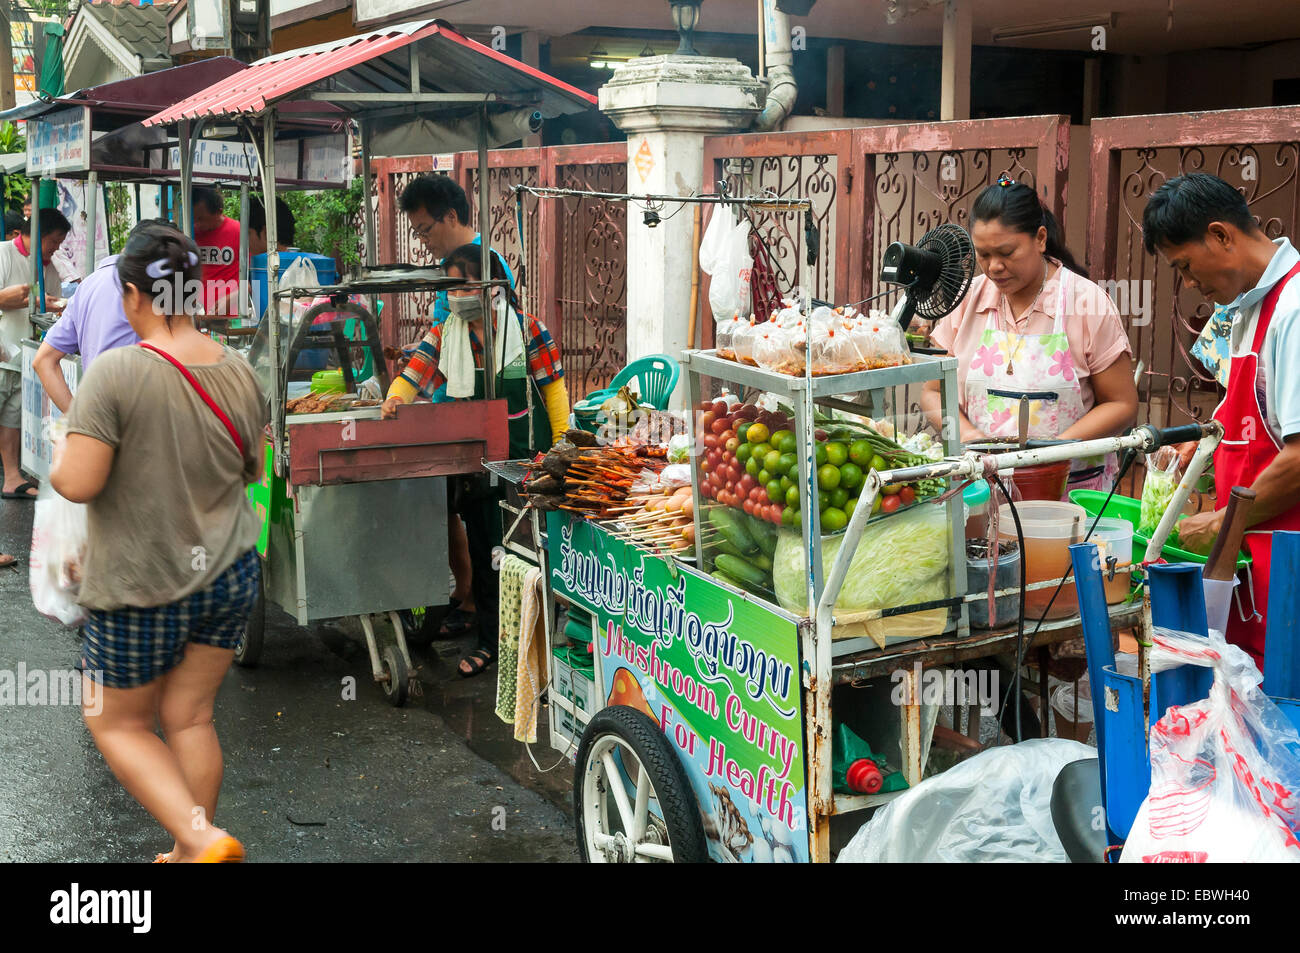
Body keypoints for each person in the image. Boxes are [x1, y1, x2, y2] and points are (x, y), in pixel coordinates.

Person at [49, 222, 266, 862]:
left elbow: (81, 482)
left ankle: (199, 838)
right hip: (229, 574)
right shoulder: (238, 371)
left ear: (134, 296)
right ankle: (184, 852)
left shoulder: (115, 374)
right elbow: (251, 471)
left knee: (115, 720)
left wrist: (64, 452)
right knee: (191, 718)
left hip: (144, 578)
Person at [381, 243, 568, 677]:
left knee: (535, 551)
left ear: (490, 285)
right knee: (490, 553)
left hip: (528, 459)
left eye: (461, 285)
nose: (454, 295)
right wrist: (394, 400)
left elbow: (554, 392)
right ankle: (491, 643)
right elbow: (415, 375)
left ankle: (542, 644)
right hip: (475, 461)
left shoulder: (527, 329)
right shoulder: (447, 333)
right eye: (449, 287)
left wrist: (560, 451)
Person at [1144, 172, 1300, 669]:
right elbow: (1251, 414)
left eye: (1185, 265)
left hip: (1287, 560)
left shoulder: (1294, 309)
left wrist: (1219, 524)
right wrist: (1205, 452)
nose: (1189, 283)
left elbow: (1298, 459)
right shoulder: (1247, 308)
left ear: (1221, 235)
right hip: (1253, 559)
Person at [919, 175, 1138, 494]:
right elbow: (933, 393)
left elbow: (1121, 404)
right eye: (983, 254)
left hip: (1068, 490)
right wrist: (966, 437)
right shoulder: (968, 300)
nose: (994, 267)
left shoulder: (1086, 302)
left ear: (1040, 238)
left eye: (1006, 252)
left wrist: (1052, 453)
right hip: (983, 489)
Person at [400, 175, 516, 638]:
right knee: (451, 505)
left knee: (476, 513)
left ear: (451, 216)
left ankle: (482, 613)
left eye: (426, 229)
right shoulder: (450, 266)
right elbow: (448, 339)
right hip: (446, 404)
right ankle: (465, 596)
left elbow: (496, 343)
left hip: (476, 414)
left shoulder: (483, 264)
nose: (424, 242)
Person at [33, 218, 172, 414]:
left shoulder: (89, 284)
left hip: (99, 413)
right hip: (138, 417)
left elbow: (43, 360)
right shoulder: (146, 285)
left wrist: (77, 418)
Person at [0, 207, 70, 501]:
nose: (55, 248)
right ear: (37, 234)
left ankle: (12, 477)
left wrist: (50, 307)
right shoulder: (4, 253)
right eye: (53, 241)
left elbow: (45, 312)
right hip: (2, 351)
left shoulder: (49, 269)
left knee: (12, 416)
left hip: (23, 356)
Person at [192, 185, 241, 316]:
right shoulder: (190, 233)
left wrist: (235, 297)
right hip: (198, 316)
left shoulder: (238, 232)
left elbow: (252, 277)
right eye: (194, 218)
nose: (197, 224)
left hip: (228, 318)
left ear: (218, 212)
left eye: (201, 219)